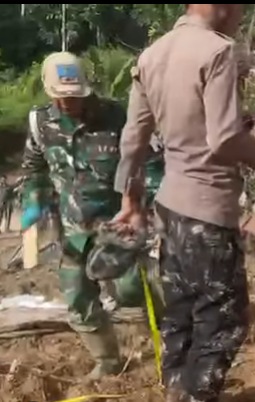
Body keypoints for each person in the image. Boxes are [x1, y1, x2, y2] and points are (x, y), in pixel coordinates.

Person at [112, 5, 255, 401]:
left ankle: (176, 393)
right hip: (207, 210)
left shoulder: (152, 54)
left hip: (170, 209)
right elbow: (225, 140)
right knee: (222, 320)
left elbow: (132, 138)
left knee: (180, 315)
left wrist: (130, 201)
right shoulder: (216, 52)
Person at [17, 51, 164, 380]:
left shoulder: (116, 116)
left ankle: (166, 340)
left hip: (116, 224)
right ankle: (107, 361)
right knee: (78, 299)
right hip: (72, 230)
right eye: (62, 96)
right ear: (48, 89)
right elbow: (35, 169)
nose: (70, 102)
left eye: (76, 95)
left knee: (131, 290)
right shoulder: (40, 122)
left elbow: (150, 163)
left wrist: (145, 209)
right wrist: (33, 207)